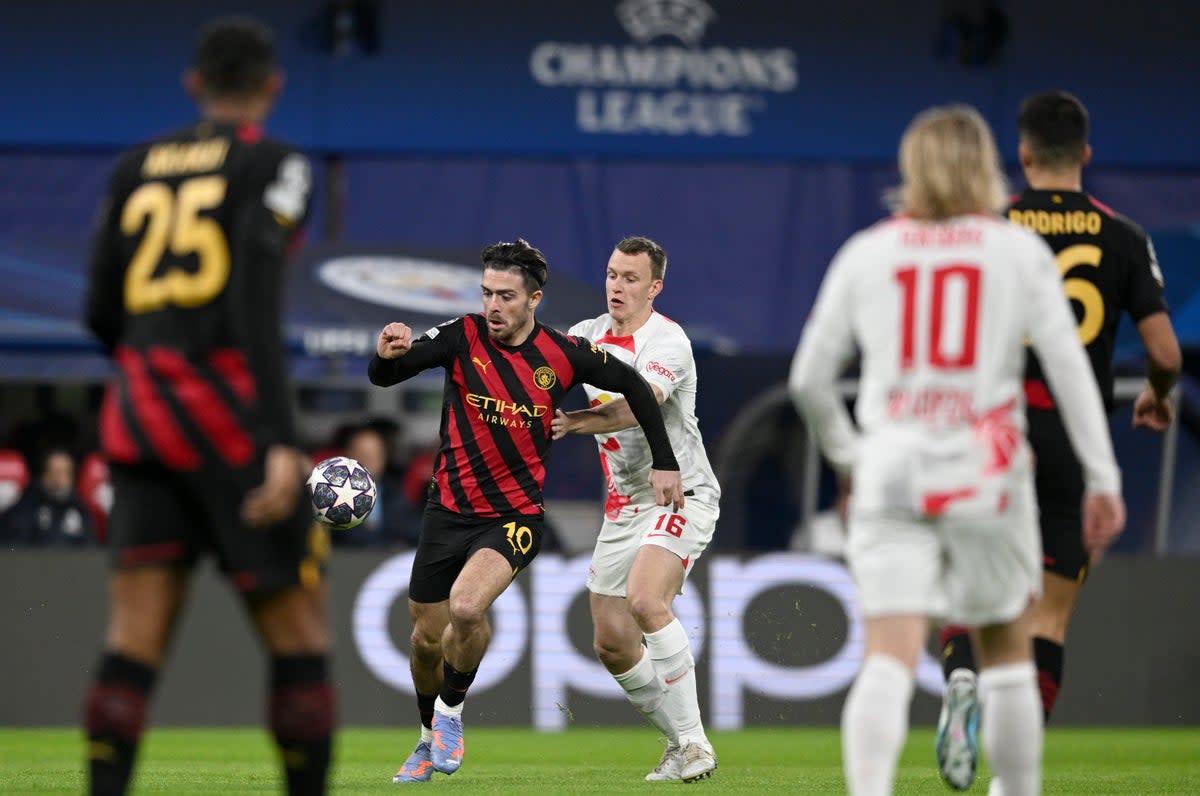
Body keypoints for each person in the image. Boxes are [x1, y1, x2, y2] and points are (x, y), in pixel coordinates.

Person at [789, 105, 1126, 796]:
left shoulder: (868, 252)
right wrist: (1102, 476)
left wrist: (851, 457)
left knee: (887, 653)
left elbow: (808, 383)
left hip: (891, 469)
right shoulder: (1015, 251)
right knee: (1007, 652)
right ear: (989, 167)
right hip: (988, 469)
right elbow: (1070, 372)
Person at [81, 17, 332, 796]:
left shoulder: (135, 167)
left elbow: (98, 308)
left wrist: (152, 365)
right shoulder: (276, 162)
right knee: (295, 633)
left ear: (193, 84)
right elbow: (257, 297)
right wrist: (284, 440)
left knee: (134, 636)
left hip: (140, 419)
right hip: (231, 425)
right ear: (272, 86)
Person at [935, 89, 1181, 790]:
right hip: (1073, 438)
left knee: (963, 590)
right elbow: (1163, 353)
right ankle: (1013, 778)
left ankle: (960, 680)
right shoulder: (1124, 236)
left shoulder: (988, 227)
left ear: (1022, 154)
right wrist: (1158, 401)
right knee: (1047, 618)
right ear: (1086, 156)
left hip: (989, 431)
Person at [369, 238, 684, 783]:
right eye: (488, 292)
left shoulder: (561, 354)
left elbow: (633, 385)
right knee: (424, 640)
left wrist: (665, 461)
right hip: (447, 510)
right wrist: (387, 353)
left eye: (507, 296)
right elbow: (386, 378)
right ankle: (426, 740)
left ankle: (449, 717)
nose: (493, 305)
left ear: (534, 299)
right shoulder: (461, 336)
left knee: (467, 609)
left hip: (514, 516)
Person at [550, 236, 720, 782]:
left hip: (679, 492)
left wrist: (573, 421)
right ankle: (677, 744)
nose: (617, 286)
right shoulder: (585, 336)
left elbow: (637, 405)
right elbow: (535, 376)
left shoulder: (667, 342)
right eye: (611, 274)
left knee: (647, 602)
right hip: (622, 507)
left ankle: (695, 743)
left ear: (655, 287)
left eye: (629, 278)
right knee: (612, 641)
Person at [333, 423, 421, 548]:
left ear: (384, 457)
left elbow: (414, 531)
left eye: (375, 453)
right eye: (363, 453)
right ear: (348, 456)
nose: (370, 459)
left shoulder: (397, 492)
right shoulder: (331, 495)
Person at [0, 447, 95, 546]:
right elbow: (15, 548)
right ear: (43, 475)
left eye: (65, 473)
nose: (59, 479)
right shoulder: (26, 508)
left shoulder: (81, 511)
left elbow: (90, 549)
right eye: (54, 472)